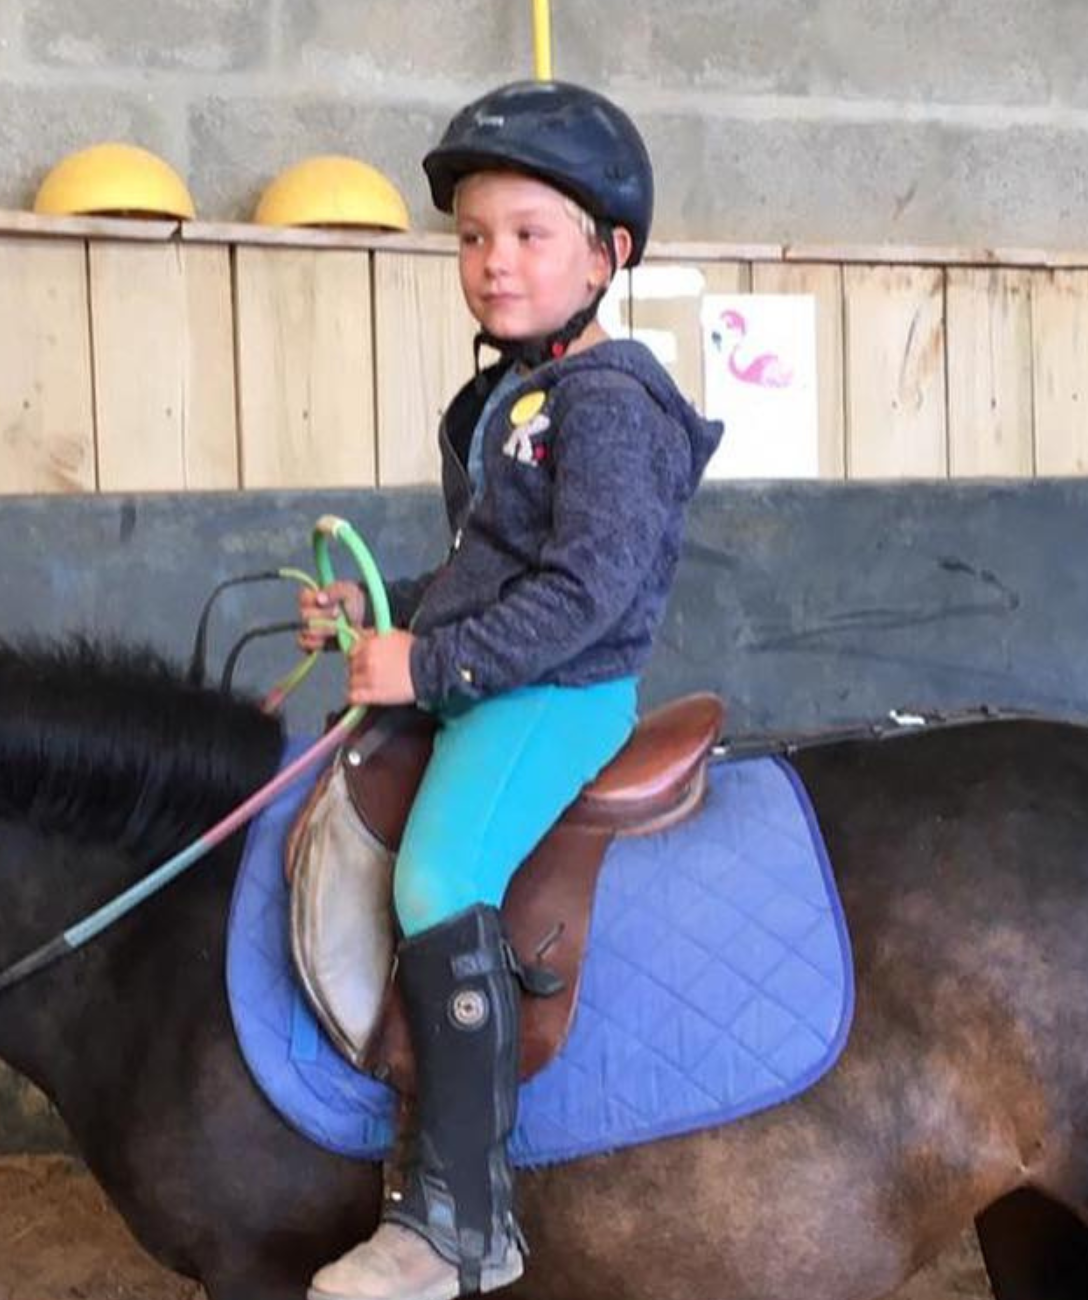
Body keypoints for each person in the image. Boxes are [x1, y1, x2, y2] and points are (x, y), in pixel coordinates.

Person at [296, 79, 723, 1300]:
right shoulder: (509, 404)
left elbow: (582, 592)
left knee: (437, 874)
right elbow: (489, 570)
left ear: (608, 254)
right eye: (475, 237)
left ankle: (459, 1219)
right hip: (498, 668)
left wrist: (426, 667)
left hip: (561, 691)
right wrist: (385, 622)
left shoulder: (613, 401)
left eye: (530, 235)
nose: (494, 263)